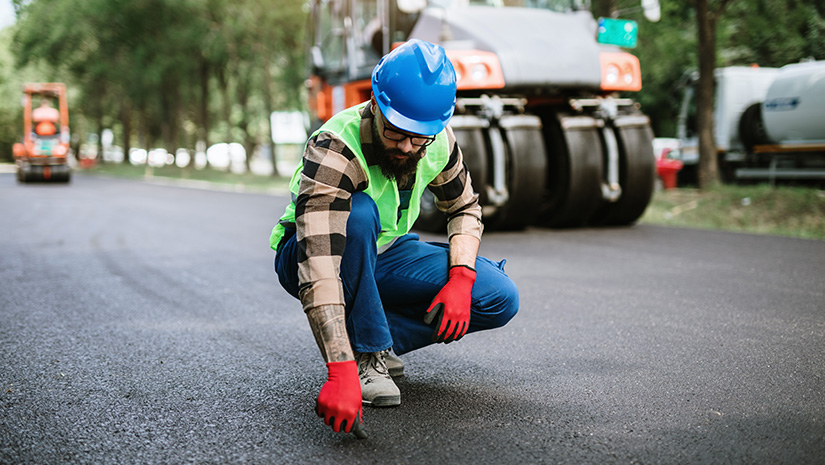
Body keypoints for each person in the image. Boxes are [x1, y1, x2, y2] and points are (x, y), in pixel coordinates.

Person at [270, 39, 519, 437]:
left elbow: (465, 208)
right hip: (313, 253)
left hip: (387, 253)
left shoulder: (436, 140)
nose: (407, 147)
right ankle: (364, 357)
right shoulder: (335, 147)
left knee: (497, 296)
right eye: (397, 133)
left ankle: (375, 340)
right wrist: (339, 370)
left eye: (418, 138)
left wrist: (461, 277)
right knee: (360, 213)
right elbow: (319, 264)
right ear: (375, 103)